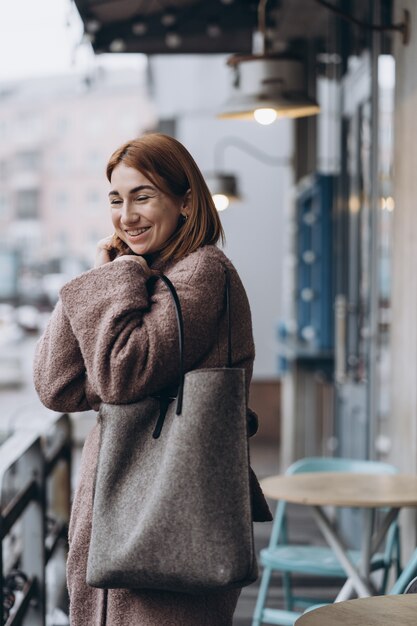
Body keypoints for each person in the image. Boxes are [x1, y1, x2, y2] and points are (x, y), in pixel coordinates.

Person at [33, 133, 271, 626]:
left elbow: (122, 373)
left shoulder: (203, 271)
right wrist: (101, 274)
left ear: (186, 201)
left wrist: (116, 279)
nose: (127, 216)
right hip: (114, 515)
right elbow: (56, 383)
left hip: (174, 521)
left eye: (143, 196)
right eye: (116, 200)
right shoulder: (138, 274)